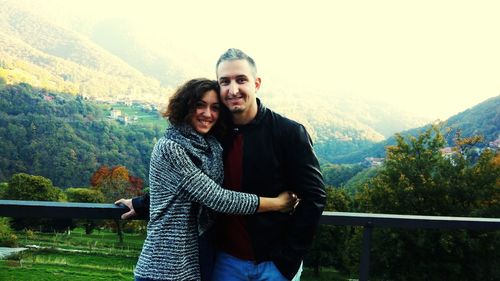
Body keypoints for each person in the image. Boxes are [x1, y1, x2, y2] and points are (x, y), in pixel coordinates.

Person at [120, 48, 326, 281]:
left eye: (241, 80)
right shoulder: (214, 134)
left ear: (256, 83)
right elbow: (197, 185)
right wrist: (143, 203)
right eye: (225, 82)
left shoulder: (288, 132)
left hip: (274, 265)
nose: (233, 89)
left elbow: (314, 197)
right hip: (224, 262)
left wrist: (288, 259)